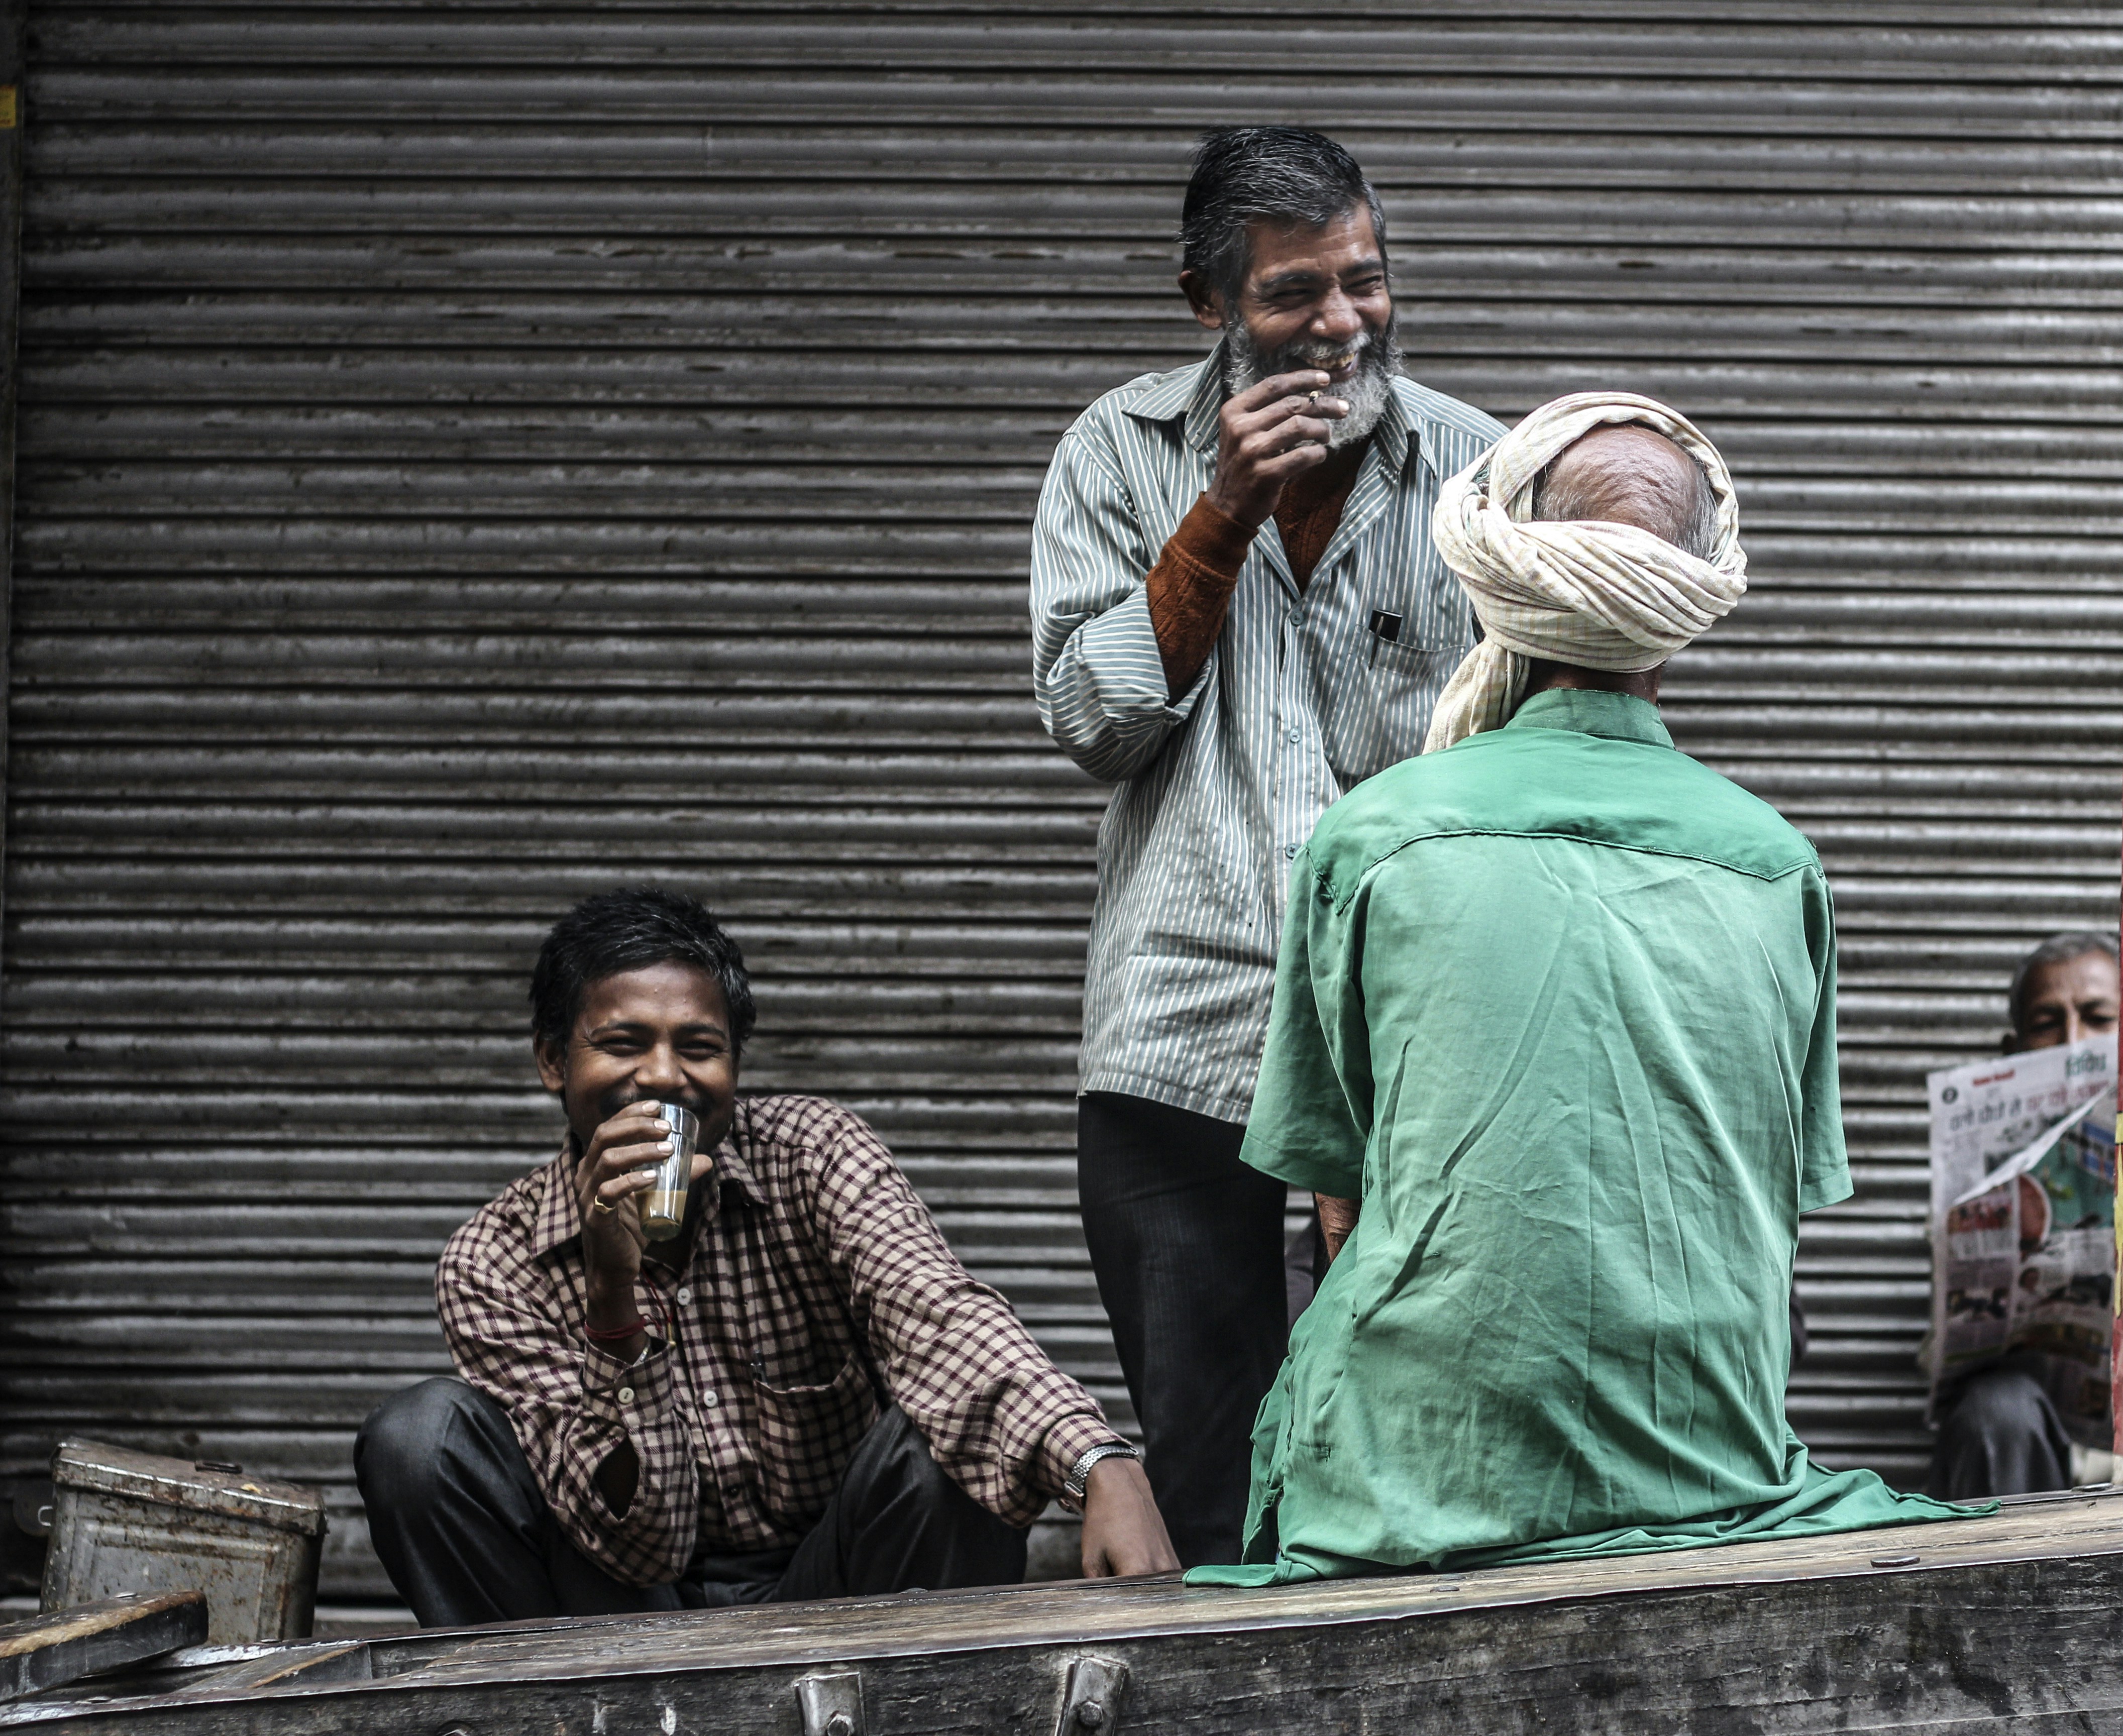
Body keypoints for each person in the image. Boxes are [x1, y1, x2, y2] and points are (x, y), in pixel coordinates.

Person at [1186, 393, 1974, 1586]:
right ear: (1684, 605)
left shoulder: (1371, 837)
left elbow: (1339, 1206)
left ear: (1493, 573)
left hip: (1414, 1478)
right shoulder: (1776, 864)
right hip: (1711, 1466)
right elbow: (1766, 1205)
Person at [1028, 128, 1505, 1564]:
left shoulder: (1477, 468)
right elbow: (1091, 724)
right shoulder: (1117, 455)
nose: (1345, 323)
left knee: (1419, 1444)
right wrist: (1222, 510)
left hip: (1425, 1045)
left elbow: (1527, 751)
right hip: (1184, 1037)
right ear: (1207, 302)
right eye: (1297, 294)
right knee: (1210, 1465)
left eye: (1366, 281)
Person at [355, 889, 1177, 1627]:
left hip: (835, 1591)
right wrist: (614, 1298)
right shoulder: (493, 1262)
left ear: (735, 1067)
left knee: (943, 1437)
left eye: (699, 1047)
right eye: (622, 1042)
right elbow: (643, 1550)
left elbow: (937, 1314)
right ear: (552, 1063)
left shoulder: (810, 1154)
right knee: (419, 1439)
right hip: (613, 1610)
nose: (663, 1076)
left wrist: (1098, 1462)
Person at [1923, 931, 2123, 1501]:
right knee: (1996, 1410)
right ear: (2013, 1051)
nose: (2073, 1043)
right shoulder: (1977, 1181)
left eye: (2098, 1018)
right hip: (2034, 1452)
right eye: (2047, 1023)